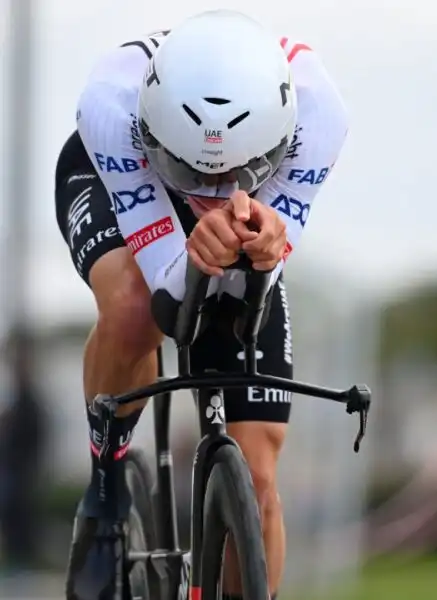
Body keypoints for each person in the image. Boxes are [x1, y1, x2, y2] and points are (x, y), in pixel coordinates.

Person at [54, 8, 348, 600]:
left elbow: (253, 278)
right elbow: (169, 296)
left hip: (246, 204)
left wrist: (270, 241)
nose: (211, 192)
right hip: (126, 184)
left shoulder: (321, 116)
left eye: (237, 173)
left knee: (260, 476)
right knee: (136, 310)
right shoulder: (109, 107)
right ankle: (105, 484)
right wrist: (190, 252)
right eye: (195, 173)